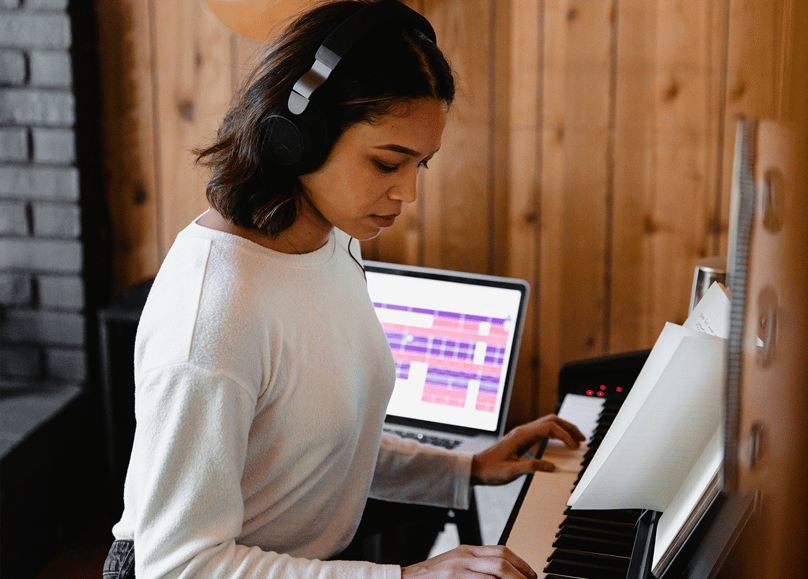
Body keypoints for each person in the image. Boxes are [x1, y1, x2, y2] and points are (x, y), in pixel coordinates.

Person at [103, 2, 585, 578]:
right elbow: (179, 565)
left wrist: (466, 469)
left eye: (420, 167)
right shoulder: (216, 312)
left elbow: (317, 444)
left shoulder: (331, 241)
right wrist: (407, 578)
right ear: (295, 136)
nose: (407, 193)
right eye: (387, 163)